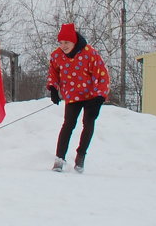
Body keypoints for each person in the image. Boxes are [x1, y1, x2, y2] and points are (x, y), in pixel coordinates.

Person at [47, 23, 111, 173]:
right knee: (68, 124)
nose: (64, 46)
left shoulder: (89, 53)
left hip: (91, 96)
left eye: (67, 42)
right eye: (61, 43)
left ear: (74, 41)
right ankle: (59, 158)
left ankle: (81, 155)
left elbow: (102, 75)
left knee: (88, 123)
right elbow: (53, 72)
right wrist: (53, 89)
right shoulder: (57, 56)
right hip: (72, 96)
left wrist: (100, 97)